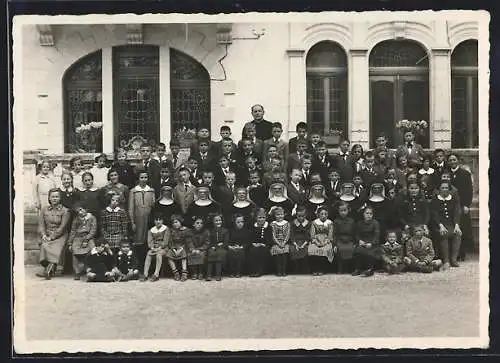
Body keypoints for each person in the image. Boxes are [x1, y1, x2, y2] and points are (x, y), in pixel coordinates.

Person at [36, 188, 71, 279]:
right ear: (49, 198)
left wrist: (52, 237)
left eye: (56, 196)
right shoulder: (44, 210)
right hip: (47, 234)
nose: (54, 199)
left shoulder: (65, 211)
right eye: (52, 197)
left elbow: (62, 228)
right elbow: (41, 225)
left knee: (55, 246)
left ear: (60, 198)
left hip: (60, 235)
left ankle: (49, 270)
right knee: (44, 245)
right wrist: (43, 235)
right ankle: (49, 268)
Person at [448, 153, 474, 261]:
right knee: (452, 226)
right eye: (450, 160)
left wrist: (467, 205)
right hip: (450, 205)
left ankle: (461, 252)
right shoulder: (446, 174)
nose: (452, 162)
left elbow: (469, 190)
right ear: (448, 162)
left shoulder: (465, 174)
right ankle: (453, 253)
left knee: (462, 228)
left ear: (458, 161)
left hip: (462, 205)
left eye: (454, 159)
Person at [431, 181, 462, 270]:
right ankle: (446, 260)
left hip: (451, 224)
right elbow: (434, 214)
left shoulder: (453, 199)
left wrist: (457, 225)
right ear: (439, 189)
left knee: (457, 233)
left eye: (446, 188)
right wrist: (440, 225)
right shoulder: (436, 199)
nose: (444, 190)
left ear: (449, 190)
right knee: (444, 233)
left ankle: (454, 259)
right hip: (438, 224)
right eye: (442, 188)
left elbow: (456, 213)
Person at [128, 169, 156, 268]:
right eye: (142, 177)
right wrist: (132, 222)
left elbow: (153, 206)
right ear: (138, 179)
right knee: (138, 241)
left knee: (148, 241)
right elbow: (131, 208)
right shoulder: (133, 191)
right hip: (138, 220)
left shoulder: (151, 190)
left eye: (145, 177)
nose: (144, 179)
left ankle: (148, 266)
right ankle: (138, 266)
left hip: (148, 220)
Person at [67, 203, 97, 280]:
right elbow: (73, 231)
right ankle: (77, 272)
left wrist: (86, 239)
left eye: (81, 210)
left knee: (93, 249)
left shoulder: (92, 218)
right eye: (77, 211)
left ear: (86, 209)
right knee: (74, 250)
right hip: (77, 237)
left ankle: (91, 270)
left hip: (88, 237)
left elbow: (93, 230)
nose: (80, 212)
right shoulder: (76, 219)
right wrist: (70, 243)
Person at [353, 206, 381, 277]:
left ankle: (370, 269)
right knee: (358, 250)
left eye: (370, 213)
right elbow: (356, 234)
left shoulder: (375, 223)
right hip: (363, 242)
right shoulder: (359, 223)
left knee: (371, 252)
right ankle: (358, 269)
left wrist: (371, 243)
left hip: (372, 243)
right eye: (367, 213)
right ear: (363, 214)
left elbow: (376, 235)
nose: (368, 215)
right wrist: (359, 240)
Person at [141, 214, 170, 282]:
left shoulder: (166, 229)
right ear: (154, 221)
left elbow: (166, 241)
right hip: (154, 248)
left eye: (160, 220)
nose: (158, 221)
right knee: (149, 254)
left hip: (163, 248)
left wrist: (159, 248)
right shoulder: (151, 230)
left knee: (159, 254)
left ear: (162, 221)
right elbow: (150, 241)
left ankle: (156, 274)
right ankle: (145, 274)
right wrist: (152, 248)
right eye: (156, 220)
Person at [308, 206, 335, 276]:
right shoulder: (314, 222)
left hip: (326, 240)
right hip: (316, 240)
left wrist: (325, 242)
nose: (324, 216)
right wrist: (316, 242)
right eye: (322, 214)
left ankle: (322, 269)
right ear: (318, 215)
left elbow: (330, 235)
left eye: (325, 214)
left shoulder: (330, 223)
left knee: (325, 249)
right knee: (313, 249)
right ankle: (315, 269)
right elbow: (312, 234)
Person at [165, 214, 191, 281]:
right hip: (174, 247)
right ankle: (175, 272)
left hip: (183, 247)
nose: (175, 224)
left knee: (183, 255)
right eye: (173, 223)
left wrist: (181, 249)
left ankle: (184, 273)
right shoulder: (171, 231)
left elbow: (187, 241)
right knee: (169, 255)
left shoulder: (185, 230)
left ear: (180, 222)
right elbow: (170, 241)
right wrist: (173, 249)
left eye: (176, 222)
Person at [247, 208, 271, 277]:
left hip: (264, 245)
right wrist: (253, 243)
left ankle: (260, 271)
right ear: (256, 218)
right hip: (255, 244)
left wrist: (264, 244)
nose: (261, 219)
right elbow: (251, 237)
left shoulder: (268, 227)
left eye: (263, 217)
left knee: (262, 251)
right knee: (252, 251)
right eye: (259, 218)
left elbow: (269, 238)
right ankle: (253, 270)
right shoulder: (253, 226)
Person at [333, 201, 356, 274]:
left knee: (351, 249)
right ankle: (340, 268)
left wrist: (354, 243)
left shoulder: (351, 221)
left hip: (349, 240)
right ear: (338, 211)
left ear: (348, 210)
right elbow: (335, 234)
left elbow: (354, 233)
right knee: (340, 249)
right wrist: (335, 244)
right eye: (341, 211)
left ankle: (350, 268)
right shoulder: (336, 221)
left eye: (344, 210)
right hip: (340, 240)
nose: (343, 212)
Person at [269, 206, 291, 277]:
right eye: (278, 215)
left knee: (284, 254)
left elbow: (288, 234)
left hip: (285, 242)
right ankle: (278, 270)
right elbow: (273, 235)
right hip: (276, 243)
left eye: (281, 214)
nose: (280, 216)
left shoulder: (287, 223)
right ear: (274, 215)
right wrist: (278, 243)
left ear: (284, 214)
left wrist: (284, 243)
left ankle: (284, 270)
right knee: (277, 253)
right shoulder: (273, 224)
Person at [289, 205, 310, 275]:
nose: (301, 218)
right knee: (292, 249)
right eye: (299, 216)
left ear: (305, 215)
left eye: (303, 216)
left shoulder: (308, 224)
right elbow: (292, 234)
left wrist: (304, 244)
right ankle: (296, 267)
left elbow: (308, 235)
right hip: (295, 241)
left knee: (305, 249)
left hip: (305, 241)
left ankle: (304, 268)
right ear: (296, 215)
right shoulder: (292, 223)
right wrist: (295, 244)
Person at [207, 214, 228, 281]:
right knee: (210, 253)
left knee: (219, 253)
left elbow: (225, 242)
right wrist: (214, 246)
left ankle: (218, 275)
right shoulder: (211, 231)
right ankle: (209, 275)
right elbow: (209, 242)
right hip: (213, 247)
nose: (218, 222)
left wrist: (218, 245)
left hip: (222, 248)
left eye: (219, 220)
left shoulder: (225, 231)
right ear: (213, 222)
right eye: (216, 221)